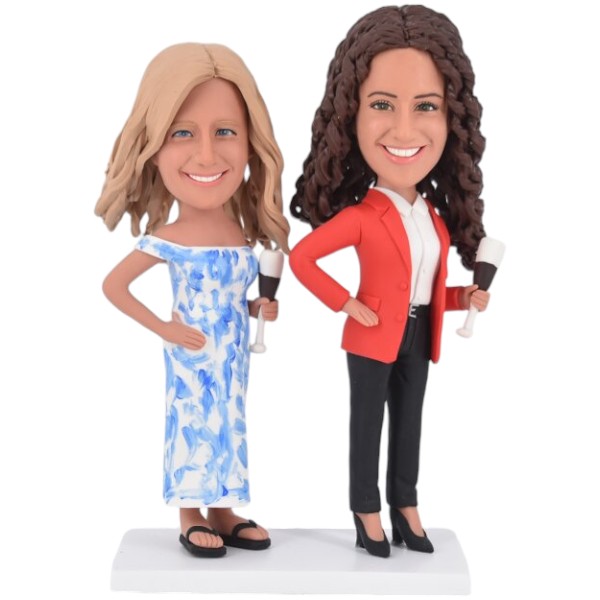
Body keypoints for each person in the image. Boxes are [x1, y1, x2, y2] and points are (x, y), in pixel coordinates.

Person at [289, 5, 490, 558]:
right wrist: (346, 303)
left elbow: (427, 284)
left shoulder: (433, 217)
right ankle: (365, 510)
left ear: (451, 120)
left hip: (419, 334)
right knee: (367, 427)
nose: (404, 130)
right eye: (381, 105)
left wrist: (463, 296)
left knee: (409, 424)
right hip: (373, 332)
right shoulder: (361, 215)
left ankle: (406, 504)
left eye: (426, 106)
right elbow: (302, 258)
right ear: (350, 117)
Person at [96, 43, 289, 558]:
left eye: (225, 131)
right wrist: (165, 328)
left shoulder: (239, 234)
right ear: (153, 147)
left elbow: (235, 294)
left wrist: (257, 308)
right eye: (182, 133)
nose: (206, 154)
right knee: (193, 425)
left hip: (234, 356)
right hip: (192, 355)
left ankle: (223, 508)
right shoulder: (169, 238)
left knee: (230, 424)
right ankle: (189, 512)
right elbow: (114, 286)